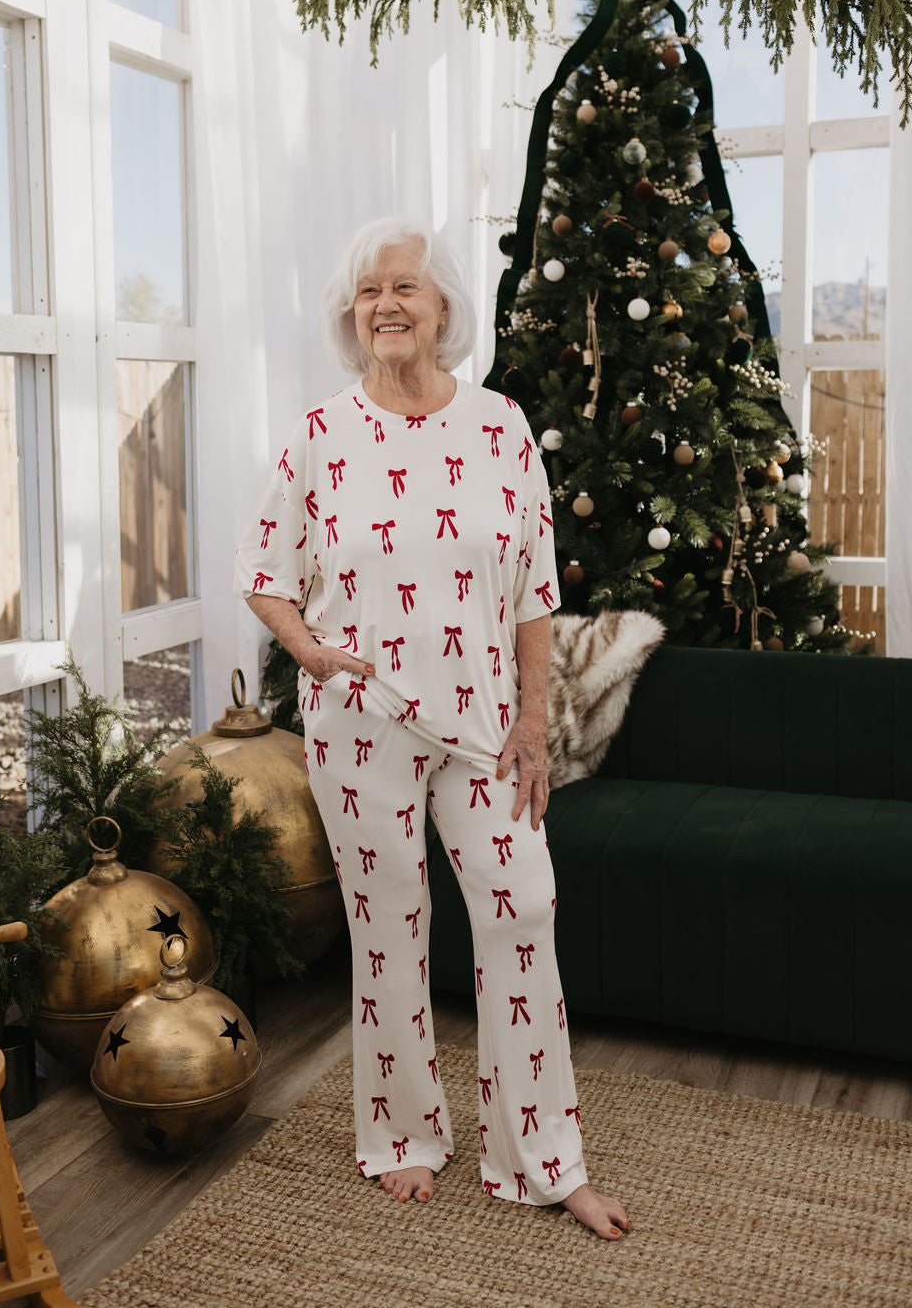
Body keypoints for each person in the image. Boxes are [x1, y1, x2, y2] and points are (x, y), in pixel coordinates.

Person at [234, 217, 629, 1240]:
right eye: (369, 291)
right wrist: (310, 652)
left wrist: (533, 724)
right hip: (358, 720)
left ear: (444, 305)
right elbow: (268, 578)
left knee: (521, 909)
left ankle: (543, 1156)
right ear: (352, 312)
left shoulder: (500, 429)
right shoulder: (321, 435)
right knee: (389, 928)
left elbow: (534, 594)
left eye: (404, 286)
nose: (386, 304)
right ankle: (403, 1133)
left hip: (482, 726)